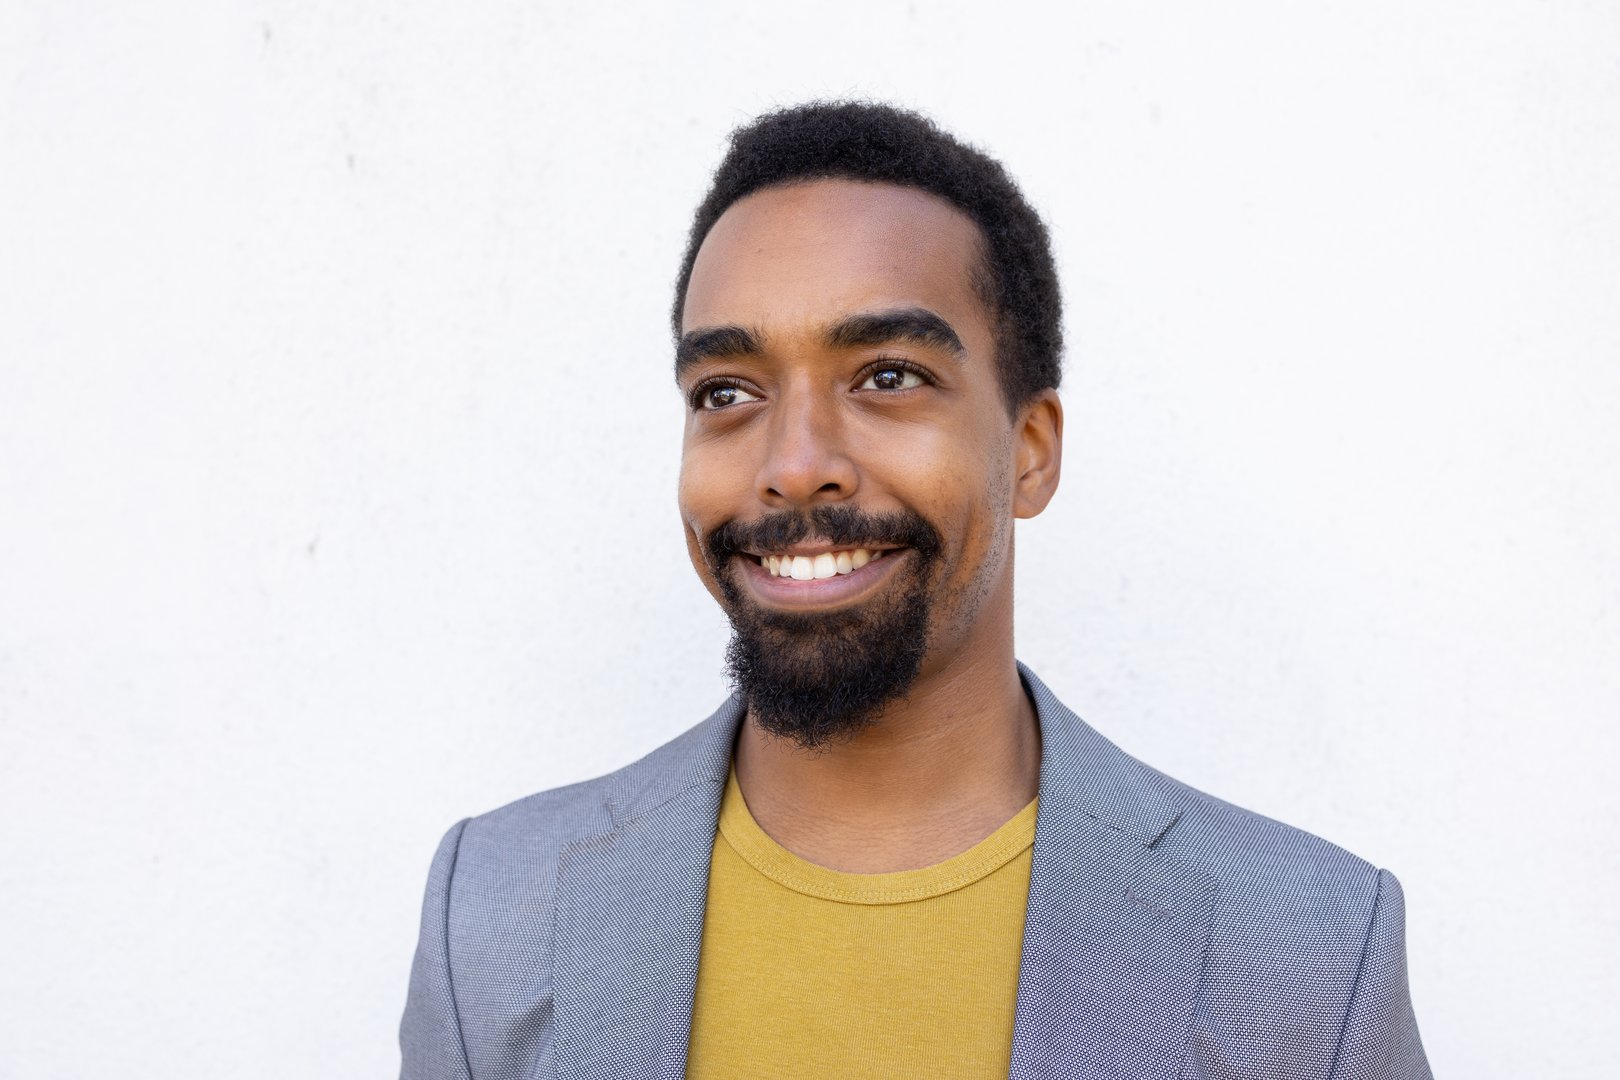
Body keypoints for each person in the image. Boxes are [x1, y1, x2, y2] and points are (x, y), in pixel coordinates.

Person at [399, 101, 1430, 1080]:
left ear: (1029, 452)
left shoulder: (1310, 956)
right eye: (727, 393)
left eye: (887, 376)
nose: (796, 464)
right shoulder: (490, 912)